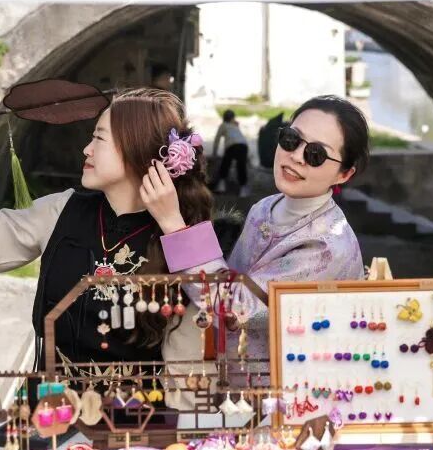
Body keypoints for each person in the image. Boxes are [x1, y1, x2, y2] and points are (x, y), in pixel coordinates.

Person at [0, 88, 213, 375]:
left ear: (138, 150)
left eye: (99, 139)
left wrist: (173, 226)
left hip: (142, 404)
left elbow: (215, 316)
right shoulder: (63, 209)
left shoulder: (187, 231)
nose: (87, 149)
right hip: (51, 399)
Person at [154, 95, 368, 362]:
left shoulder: (327, 246)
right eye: (291, 139)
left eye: (316, 154)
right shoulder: (265, 207)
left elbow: (235, 308)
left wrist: (175, 225)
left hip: (287, 384)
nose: (296, 156)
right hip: (231, 375)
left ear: (344, 174)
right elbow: (229, 277)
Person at [211, 109, 250, 197]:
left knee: (226, 163)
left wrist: (214, 153)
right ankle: (243, 187)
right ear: (233, 118)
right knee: (241, 165)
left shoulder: (223, 125)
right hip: (243, 145)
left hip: (232, 146)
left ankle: (221, 185)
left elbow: (217, 139)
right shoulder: (235, 125)